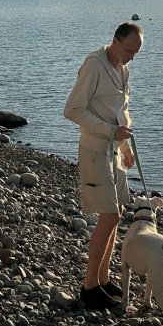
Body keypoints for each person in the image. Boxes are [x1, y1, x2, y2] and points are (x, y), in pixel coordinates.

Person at [63, 21, 144, 310]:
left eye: (136, 53)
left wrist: (123, 146)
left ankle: (104, 278)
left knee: (118, 213)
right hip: (95, 151)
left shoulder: (123, 70)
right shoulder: (94, 64)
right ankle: (89, 287)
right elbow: (72, 110)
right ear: (115, 41)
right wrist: (111, 134)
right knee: (108, 217)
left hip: (114, 152)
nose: (132, 57)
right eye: (129, 50)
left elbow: (119, 112)